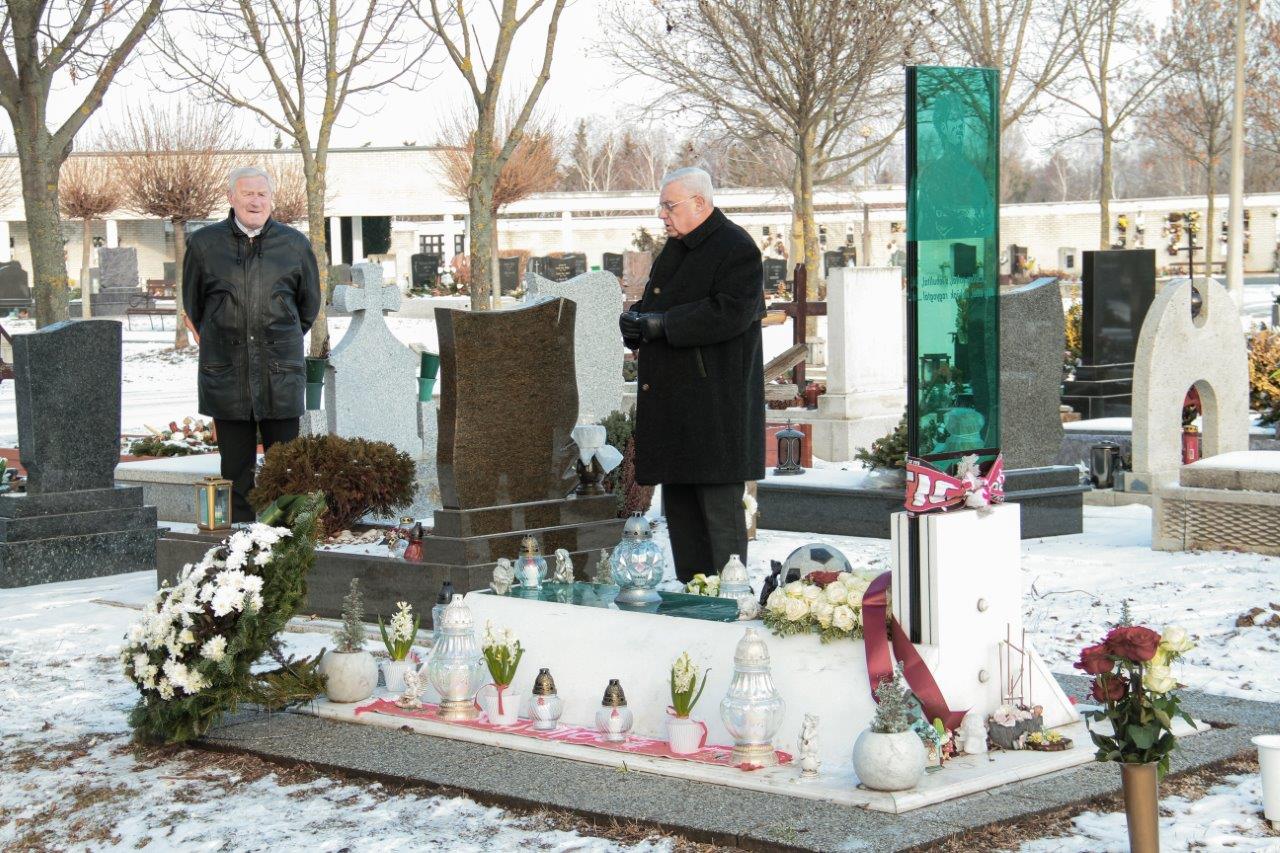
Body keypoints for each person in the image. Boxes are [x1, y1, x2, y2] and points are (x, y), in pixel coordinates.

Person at [619, 167, 765, 583]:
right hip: (677, 409)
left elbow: (731, 312)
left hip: (714, 411)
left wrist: (663, 325)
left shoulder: (735, 247)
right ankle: (692, 595)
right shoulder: (677, 248)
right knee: (682, 518)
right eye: (661, 206)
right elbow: (661, 304)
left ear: (700, 203)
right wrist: (637, 319)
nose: (662, 215)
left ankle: (728, 599)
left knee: (719, 521)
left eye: (669, 206)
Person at [183, 166, 321, 522]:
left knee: (286, 469)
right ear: (231, 197)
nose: (255, 201)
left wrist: (276, 339)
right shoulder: (204, 245)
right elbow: (194, 306)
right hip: (227, 373)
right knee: (235, 469)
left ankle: (285, 536)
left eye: (262, 194)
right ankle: (241, 539)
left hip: (280, 372)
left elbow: (307, 307)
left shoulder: (294, 245)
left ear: (271, 199)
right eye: (247, 193)